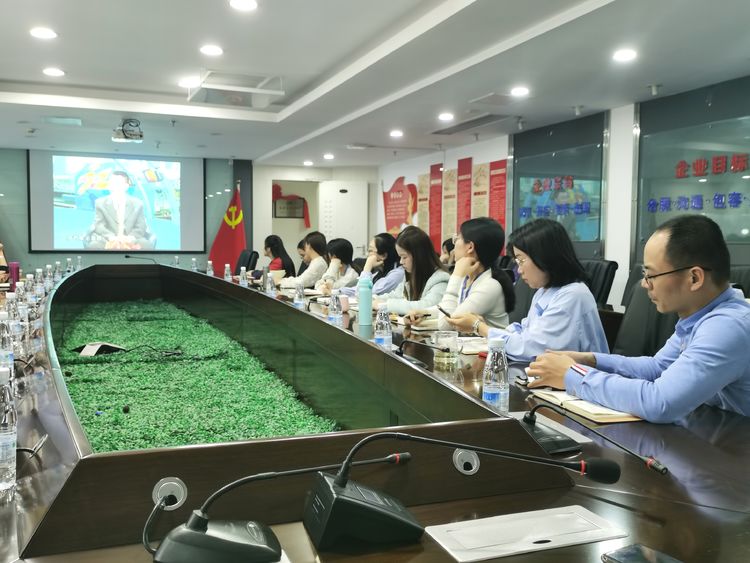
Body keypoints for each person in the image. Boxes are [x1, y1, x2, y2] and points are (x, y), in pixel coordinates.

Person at [528, 215, 750, 423]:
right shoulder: (699, 317)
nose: (644, 284)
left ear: (694, 278)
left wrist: (571, 375)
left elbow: (660, 402)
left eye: (651, 275)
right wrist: (589, 360)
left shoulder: (727, 326)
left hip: (733, 445)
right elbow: (657, 367)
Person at [447, 218, 607, 360]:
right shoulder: (545, 291)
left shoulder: (573, 296)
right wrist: (485, 327)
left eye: (522, 260)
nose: (519, 270)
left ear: (545, 257)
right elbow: (525, 332)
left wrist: (479, 327)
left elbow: (532, 348)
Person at [411, 218, 515, 331]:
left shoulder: (489, 286)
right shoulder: (468, 278)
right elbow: (451, 310)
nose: (454, 246)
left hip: (490, 343)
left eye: (457, 239)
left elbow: (446, 325)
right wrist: (423, 313)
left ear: (470, 247)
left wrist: (456, 275)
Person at [375, 226, 449, 315]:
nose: (401, 262)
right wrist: (373, 299)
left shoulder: (441, 279)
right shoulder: (411, 275)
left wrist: (385, 305)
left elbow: (427, 305)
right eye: (400, 257)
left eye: (404, 257)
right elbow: (396, 295)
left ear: (419, 256)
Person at [87, 171, 154, 250]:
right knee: (94, 246)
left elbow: (141, 226)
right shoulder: (100, 203)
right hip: (108, 240)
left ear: (126, 186)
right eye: (111, 183)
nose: (113, 186)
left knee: (146, 245)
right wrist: (111, 237)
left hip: (131, 240)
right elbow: (99, 225)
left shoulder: (137, 203)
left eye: (117, 183)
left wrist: (130, 238)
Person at [341, 232, 404, 297]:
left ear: (384, 255)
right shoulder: (381, 272)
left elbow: (362, 294)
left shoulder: (397, 274)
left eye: (370, 251)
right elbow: (356, 290)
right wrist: (338, 291)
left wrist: (367, 267)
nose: (367, 255)